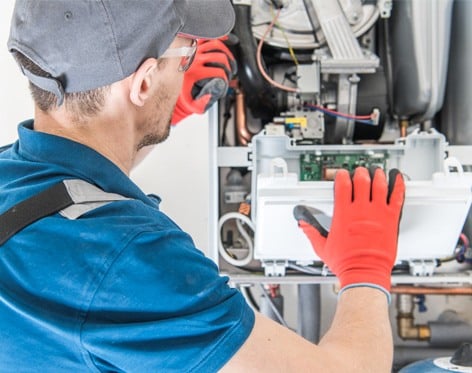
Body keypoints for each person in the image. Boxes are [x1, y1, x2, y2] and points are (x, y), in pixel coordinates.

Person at [0, 0, 405, 372]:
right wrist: (365, 268)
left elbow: (76, 192)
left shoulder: (11, 176)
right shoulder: (130, 264)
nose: (189, 66)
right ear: (142, 84)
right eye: (186, 53)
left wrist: (155, 117)